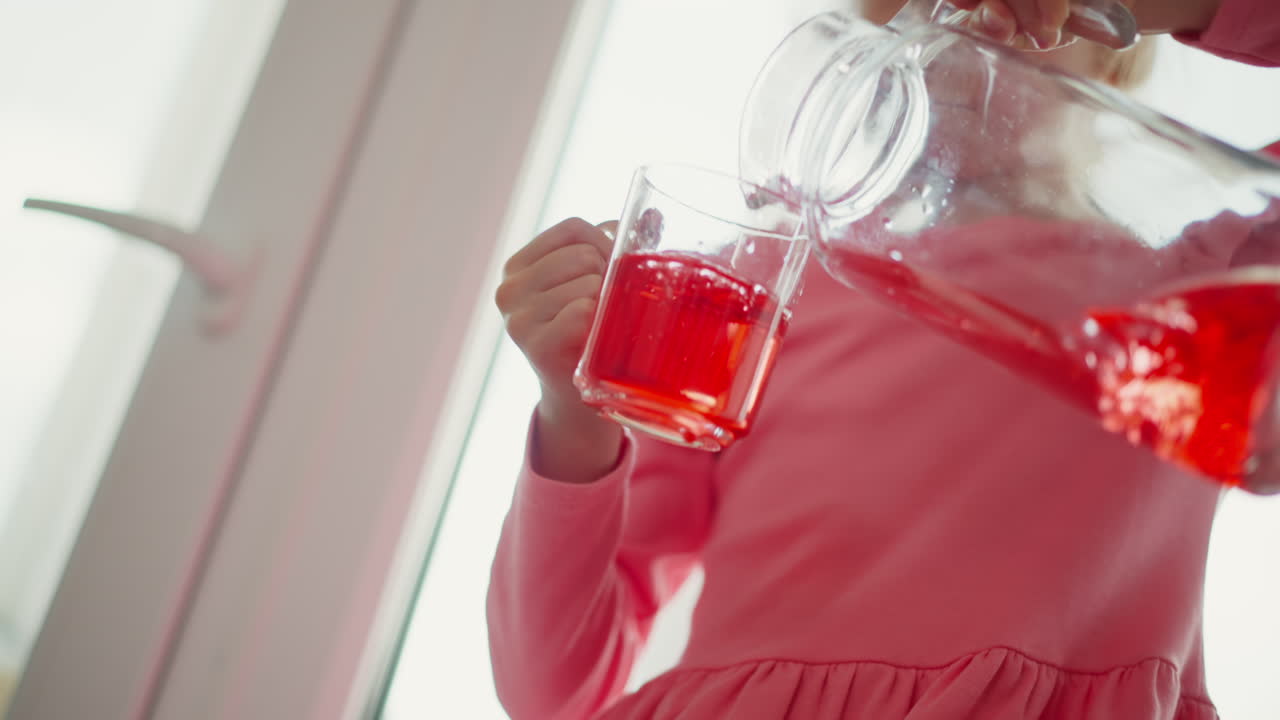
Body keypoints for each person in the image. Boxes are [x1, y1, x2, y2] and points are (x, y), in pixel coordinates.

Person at [487, 1, 1280, 718]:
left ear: (1114, 39)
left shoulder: (1212, 280)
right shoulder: (758, 299)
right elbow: (554, 687)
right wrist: (573, 416)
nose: (963, 23)